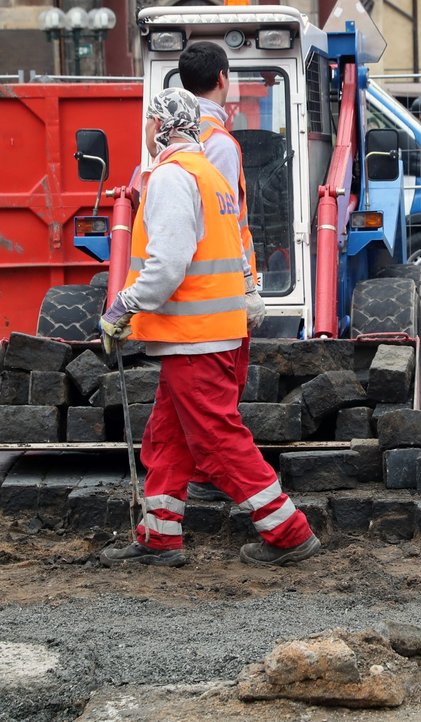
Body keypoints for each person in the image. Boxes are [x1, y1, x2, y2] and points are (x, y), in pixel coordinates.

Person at [98, 88, 321, 568]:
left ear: (158, 127)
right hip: (218, 332)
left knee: (217, 442)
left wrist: (124, 306)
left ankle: (288, 533)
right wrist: (249, 294)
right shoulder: (210, 175)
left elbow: (168, 263)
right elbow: (239, 245)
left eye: (147, 124)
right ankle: (159, 538)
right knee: (168, 438)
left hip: (193, 338)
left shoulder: (172, 177)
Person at [178, 41, 264, 503]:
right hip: (222, 286)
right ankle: (216, 476)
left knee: (191, 394)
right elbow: (226, 220)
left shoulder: (173, 140)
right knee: (224, 386)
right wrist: (249, 286)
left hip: (192, 287)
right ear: (224, 79)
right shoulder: (221, 144)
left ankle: (196, 473)